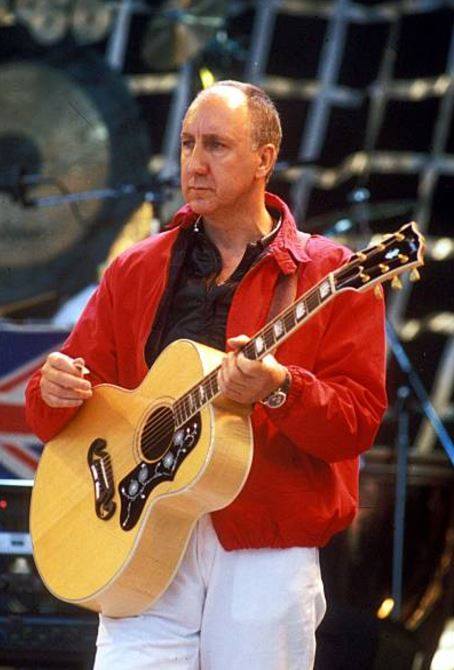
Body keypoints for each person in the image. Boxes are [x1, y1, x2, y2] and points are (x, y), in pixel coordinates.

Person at [25, 80, 387, 670]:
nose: (194, 162)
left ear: (264, 159)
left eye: (216, 145)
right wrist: (53, 389)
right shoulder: (136, 267)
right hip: (139, 532)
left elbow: (356, 425)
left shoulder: (331, 274)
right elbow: (56, 410)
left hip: (263, 544)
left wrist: (282, 389)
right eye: (188, 143)